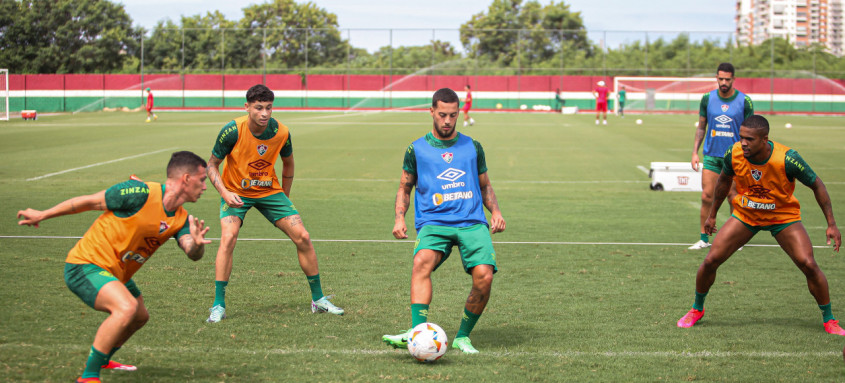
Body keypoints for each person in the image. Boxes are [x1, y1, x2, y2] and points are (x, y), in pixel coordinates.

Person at [16, 151, 211, 383]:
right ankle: (89, 377)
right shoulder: (140, 193)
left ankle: (104, 357)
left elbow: (191, 250)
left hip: (115, 273)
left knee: (139, 316)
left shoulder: (182, 218)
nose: (205, 187)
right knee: (126, 308)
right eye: (202, 180)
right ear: (186, 179)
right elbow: (90, 201)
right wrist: (42, 214)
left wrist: (198, 245)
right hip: (85, 264)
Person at [677, 115, 844, 336]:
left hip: (782, 217)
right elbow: (724, 181)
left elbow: (817, 184)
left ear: (764, 139)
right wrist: (712, 215)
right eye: (741, 137)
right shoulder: (734, 153)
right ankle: (697, 309)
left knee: (808, 264)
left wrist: (831, 224)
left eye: (749, 139)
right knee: (711, 260)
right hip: (747, 215)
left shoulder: (787, 158)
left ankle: (829, 319)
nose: (743, 143)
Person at [382, 88, 506, 354]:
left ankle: (463, 336)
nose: (447, 121)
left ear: (458, 113)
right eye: (442, 115)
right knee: (420, 262)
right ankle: (417, 332)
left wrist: (495, 211)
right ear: (431, 112)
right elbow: (405, 187)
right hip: (434, 223)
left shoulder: (473, 146)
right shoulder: (416, 149)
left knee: (484, 276)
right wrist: (399, 218)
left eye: (452, 115)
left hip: (472, 221)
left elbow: (485, 185)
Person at [205, 84, 343, 323]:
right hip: (236, 191)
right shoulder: (232, 131)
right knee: (228, 237)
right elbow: (211, 165)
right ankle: (218, 305)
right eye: (258, 108)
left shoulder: (281, 132)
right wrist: (225, 193)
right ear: (246, 107)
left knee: (303, 236)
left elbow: (288, 164)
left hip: (270, 192)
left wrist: (285, 197)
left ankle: (319, 300)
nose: (264, 113)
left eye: (268, 107)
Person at [690, 62, 754, 250]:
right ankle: (703, 239)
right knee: (707, 196)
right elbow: (701, 126)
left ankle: (735, 241)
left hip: (736, 158)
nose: (724, 82)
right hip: (711, 156)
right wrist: (695, 152)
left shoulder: (745, 101)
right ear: (716, 78)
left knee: (733, 197)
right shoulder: (707, 99)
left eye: (727, 79)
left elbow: (751, 131)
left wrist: (751, 157)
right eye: (721, 79)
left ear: (733, 79)